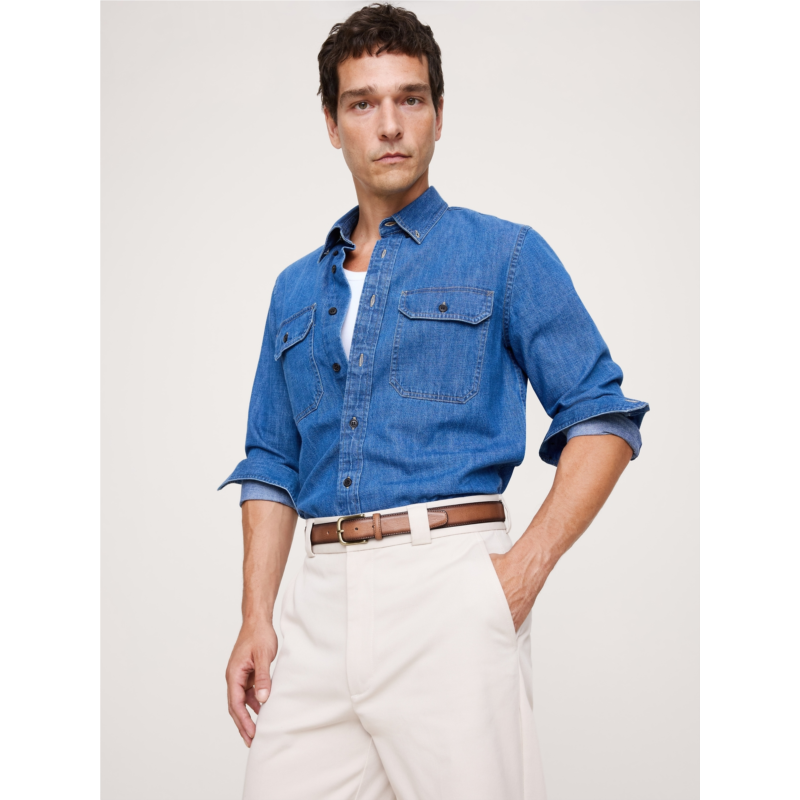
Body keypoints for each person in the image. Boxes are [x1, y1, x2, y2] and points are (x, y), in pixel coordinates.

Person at [220, 5, 649, 799]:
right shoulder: (294, 289)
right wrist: (256, 617)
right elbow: (273, 463)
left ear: (439, 114)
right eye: (363, 103)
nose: (389, 124)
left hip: (449, 592)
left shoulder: (506, 254)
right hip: (317, 607)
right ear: (332, 123)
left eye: (410, 99)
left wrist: (518, 577)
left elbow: (602, 418)